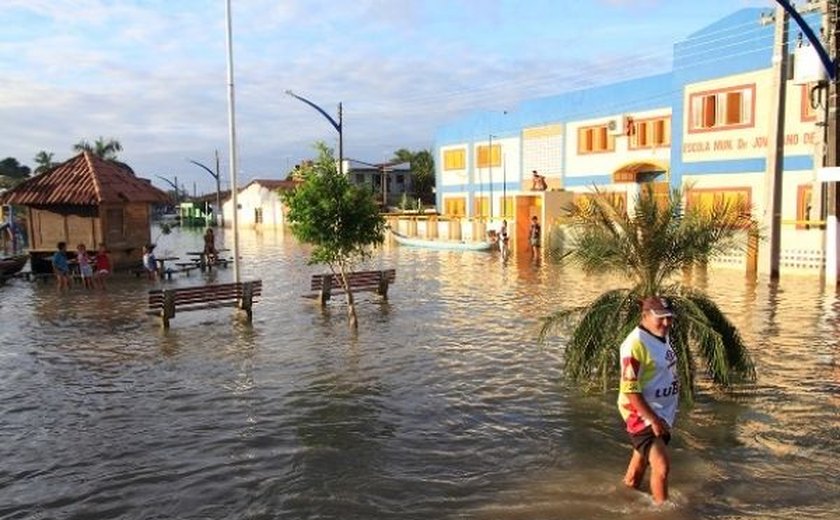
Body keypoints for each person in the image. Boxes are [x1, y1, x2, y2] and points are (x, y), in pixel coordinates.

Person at [617, 296, 679, 505]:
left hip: (661, 411)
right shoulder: (634, 344)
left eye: (669, 318)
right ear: (644, 316)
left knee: (637, 470)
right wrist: (652, 419)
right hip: (641, 413)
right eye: (660, 318)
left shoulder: (662, 335)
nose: (666, 323)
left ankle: (623, 497)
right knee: (661, 467)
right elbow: (630, 389)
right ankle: (664, 512)